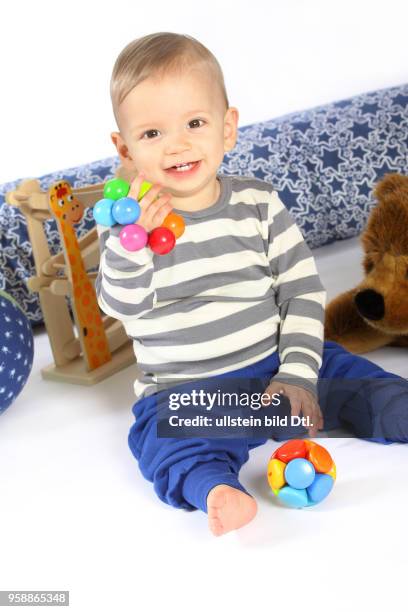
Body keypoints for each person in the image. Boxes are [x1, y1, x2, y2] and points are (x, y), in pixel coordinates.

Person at [95, 32, 408, 537]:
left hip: (281, 365)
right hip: (192, 391)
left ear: (228, 128)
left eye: (194, 123)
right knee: (164, 436)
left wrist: (300, 373)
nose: (177, 144)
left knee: (364, 383)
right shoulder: (128, 228)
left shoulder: (258, 204)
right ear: (124, 148)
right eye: (151, 133)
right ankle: (214, 487)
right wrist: (133, 250)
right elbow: (119, 304)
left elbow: (301, 292)